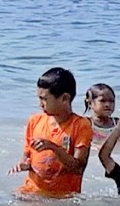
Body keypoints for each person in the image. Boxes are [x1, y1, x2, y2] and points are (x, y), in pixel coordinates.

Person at [8, 67, 93, 198]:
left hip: (62, 198)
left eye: (44, 99)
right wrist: (24, 164)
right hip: (30, 193)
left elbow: (78, 168)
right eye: (39, 98)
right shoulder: (34, 121)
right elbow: (27, 155)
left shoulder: (81, 125)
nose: (40, 104)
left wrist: (53, 147)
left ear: (65, 98)